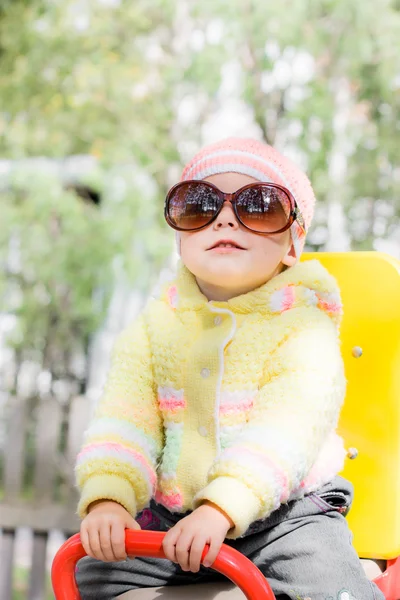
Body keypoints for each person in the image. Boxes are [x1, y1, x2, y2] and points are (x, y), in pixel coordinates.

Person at [75, 137, 384, 600]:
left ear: (293, 244)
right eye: (198, 206)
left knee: (331, 586)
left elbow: (286, 433)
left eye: (259, 207)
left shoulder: (303, 327)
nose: (224, 218)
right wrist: (108, 497)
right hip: (173, 522)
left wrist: (220, 509)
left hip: (284, 518)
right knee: (93, 574)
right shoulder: (153, 326)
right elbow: (124, 420)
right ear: (181, 236)